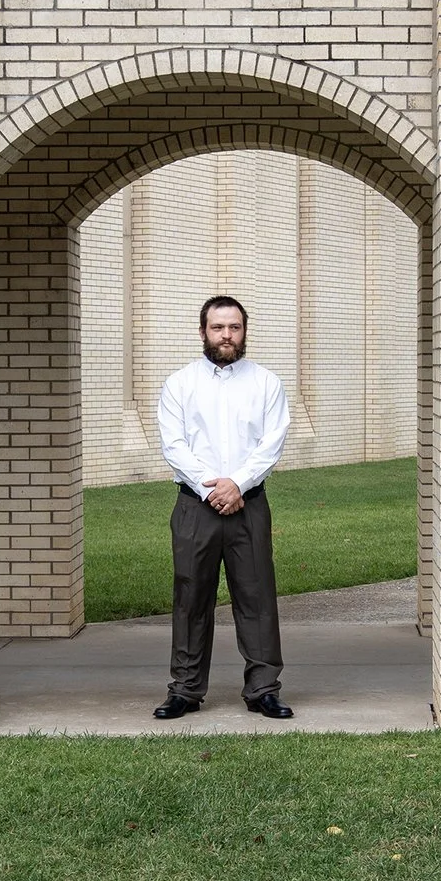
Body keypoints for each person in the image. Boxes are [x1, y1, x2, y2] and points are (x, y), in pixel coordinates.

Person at [152, 296, 293, 720]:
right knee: (191, 598)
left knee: (257, 597)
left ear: (244, 331)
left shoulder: (266, 383)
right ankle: (186, 690)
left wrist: (238, 484)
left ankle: (264, 689)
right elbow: (174, 445)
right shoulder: (180, 384)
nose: (226, 335)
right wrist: (212, 488)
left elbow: (272, 443)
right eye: (218, 327)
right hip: (196, 507)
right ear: (202, 332)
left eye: (234, 327)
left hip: (249, 506)